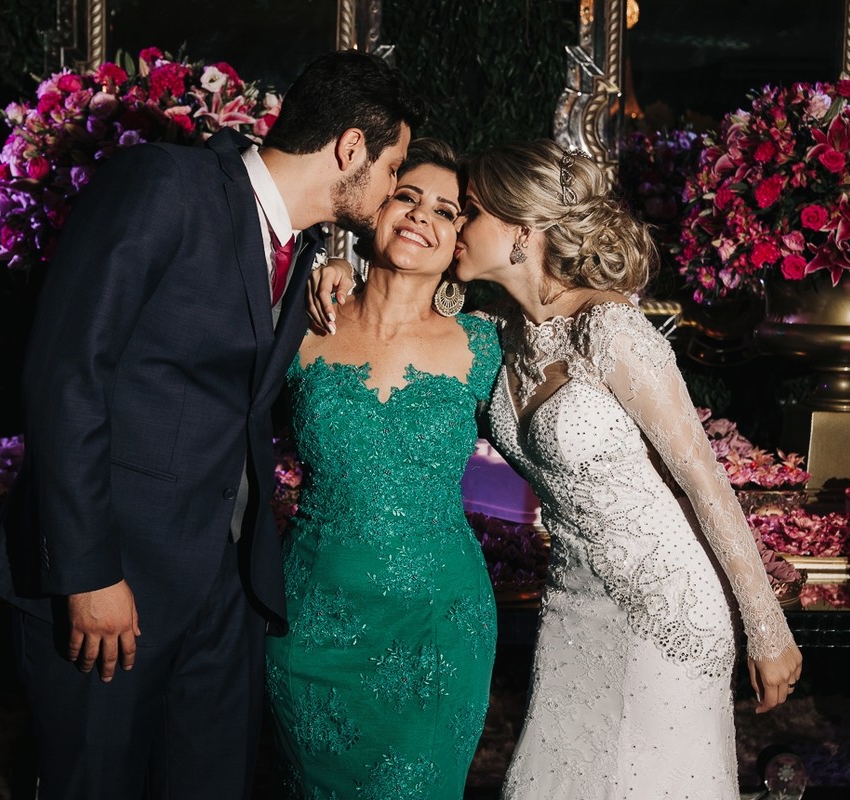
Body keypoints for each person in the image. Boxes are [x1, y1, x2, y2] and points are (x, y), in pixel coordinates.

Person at [0, 49, 425, 800]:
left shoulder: (303, 250)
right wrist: (89, 573)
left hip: (225, 593)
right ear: (351, 148)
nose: (389, 191)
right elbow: (67, 376)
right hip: (110, 583)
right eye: (392, 167)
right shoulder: (164, 184)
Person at [310, 138, 802, 798]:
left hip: (667, 608)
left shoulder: (612, 330)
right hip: (572, 606)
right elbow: (404, 307)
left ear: (521, 229)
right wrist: (336, 271)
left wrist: (767, 628)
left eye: (469, 211)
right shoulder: (501, 332)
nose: (456, 225)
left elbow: (704, 482)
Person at [266, 139, 501, 799]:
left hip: (436, 631)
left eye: (445, 210)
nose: (421, 215)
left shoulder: (485, 346)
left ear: (458, 241)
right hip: (312, 626)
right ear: (377, 208)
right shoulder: (301, 322)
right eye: (407, 196)